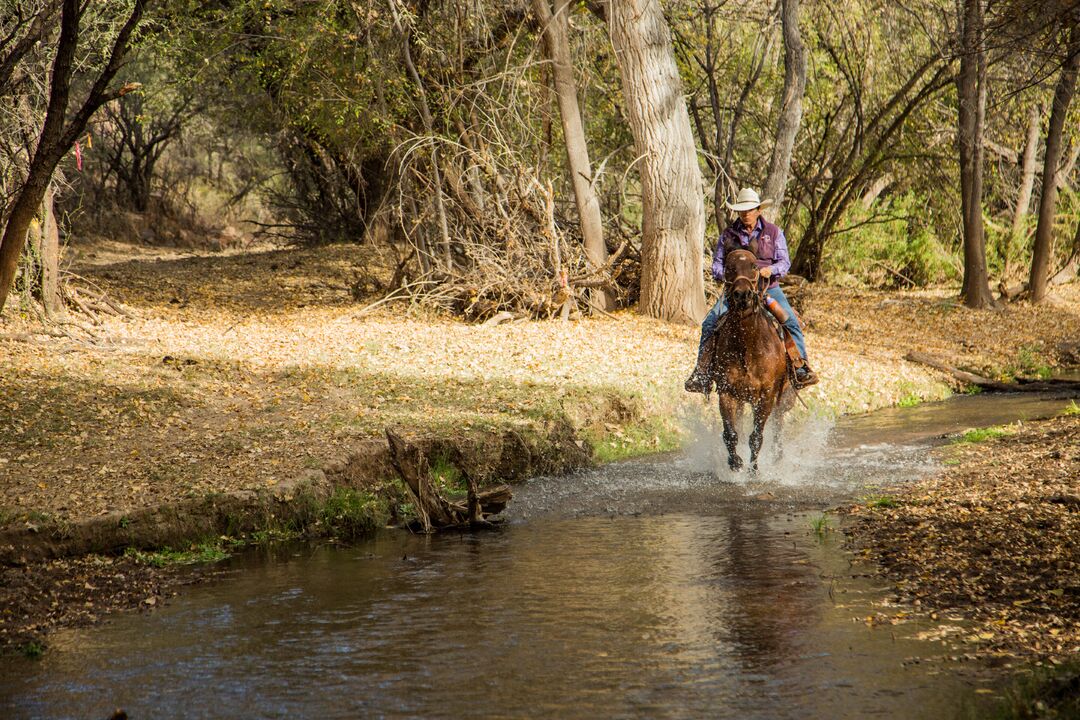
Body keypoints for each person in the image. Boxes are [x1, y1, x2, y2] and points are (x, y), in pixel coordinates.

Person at [685, 187, 818, 393]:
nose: (746, 213)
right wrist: (729, 275)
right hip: (735, 291)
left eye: (750, 209)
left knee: (789, 320)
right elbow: (717, 264)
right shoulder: (728, 235)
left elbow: (784, 262)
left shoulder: (773, 233)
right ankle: (702, 373)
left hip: (768, 289)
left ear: (758, 210)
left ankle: (800, 368)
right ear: (738, 211)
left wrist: (769, 270)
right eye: (742, 209)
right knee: (710, 322)